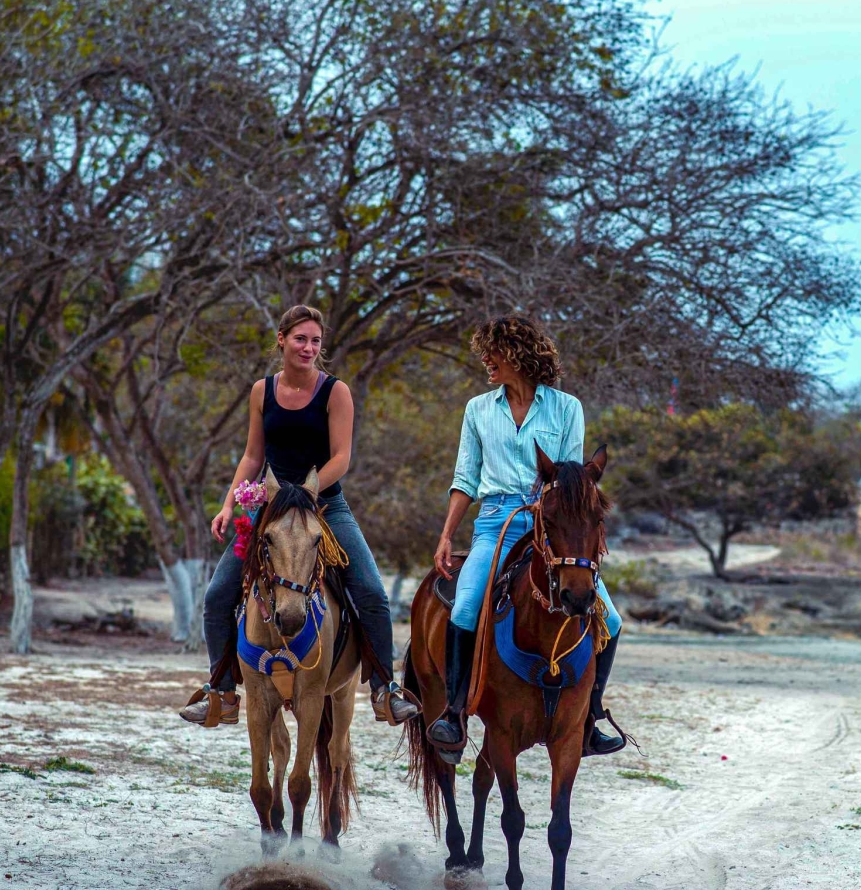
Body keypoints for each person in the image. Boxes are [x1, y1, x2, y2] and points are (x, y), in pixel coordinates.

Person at [179, 304, 418, 727]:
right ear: (282, 340)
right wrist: (229, 504)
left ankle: (386, 688)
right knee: (218, 593)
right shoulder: (261, 391)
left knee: (370, 590)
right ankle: (222, 691)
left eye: (316, 341)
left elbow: (342, 457)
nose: (309, 348)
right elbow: (254, 455)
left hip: (325, 505)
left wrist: (306, 491)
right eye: (300, 339)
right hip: (266, 510)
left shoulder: (335, 391)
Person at [426, 314, 624, 755]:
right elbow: (465, 477)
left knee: (610, 619)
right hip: (495, 519)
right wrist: (446, 535)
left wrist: (551, 514)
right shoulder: (478, 409)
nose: (486, 361)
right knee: (465, 606)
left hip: (549, 525)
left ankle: (591, 717)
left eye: (493, 353)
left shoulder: (566, 408)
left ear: (518, 355)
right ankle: (454, 714)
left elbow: (573, 482)